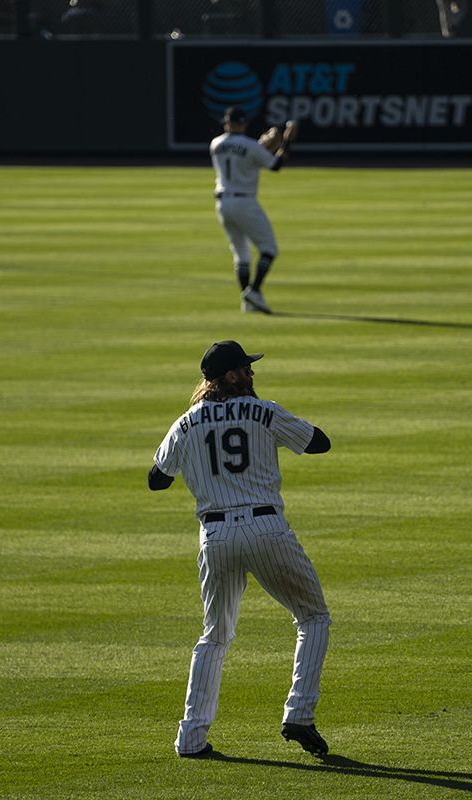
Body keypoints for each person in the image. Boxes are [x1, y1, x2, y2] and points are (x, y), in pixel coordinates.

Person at [148, 340, 333, 758]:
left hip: (215, 537)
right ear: (230, 376)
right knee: (314, 617)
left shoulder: (186, 422)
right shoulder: (264, 410)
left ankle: (190, 738)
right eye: (245, 369)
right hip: (267, 529)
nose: (252, 373)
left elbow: (156, 479)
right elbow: (319, 442)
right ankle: (299, 715)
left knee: (214, 636)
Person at [210, 106, 298, 315]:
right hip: (245, 202)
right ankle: (255, 290)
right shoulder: (250, 146)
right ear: (244, 123)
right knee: (269, 248)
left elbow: (244, 159)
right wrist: (286, 141)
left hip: (222, 203)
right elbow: (275, 165)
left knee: (241, 253)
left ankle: (247, 303)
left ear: (226, 122)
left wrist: (262, 146)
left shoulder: (215, 143)